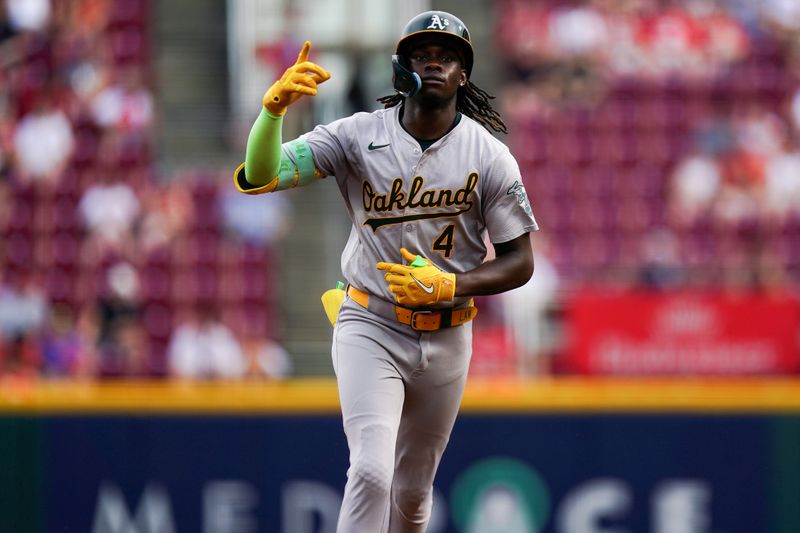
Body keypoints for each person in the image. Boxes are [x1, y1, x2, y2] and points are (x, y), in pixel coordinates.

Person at [234, 10, 537, 532]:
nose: (435, 64)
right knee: (372, 473)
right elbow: (264, 174)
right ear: (402, 69)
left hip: (448, 333)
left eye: (447, 57)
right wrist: (273, 112)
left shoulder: (490, 156)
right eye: (423, 55)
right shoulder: (357, 136)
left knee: (415, 495)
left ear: (464, 73)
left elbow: (520, 261)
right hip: (370, 323)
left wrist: (452, 285)